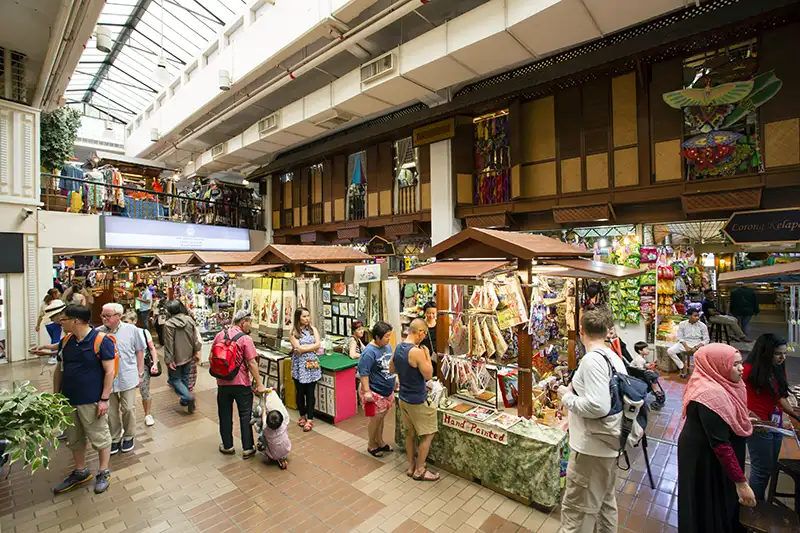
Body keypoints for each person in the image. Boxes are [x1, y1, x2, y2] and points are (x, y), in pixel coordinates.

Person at [556, 307, 626, 533]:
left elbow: (598, 405)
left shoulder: (592, 361)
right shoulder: (612, 357)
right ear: (607, 331)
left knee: (578, 510)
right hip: (606, 445)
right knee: (605, 503)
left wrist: (567, 397)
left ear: (581, 332)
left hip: (591, 449)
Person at [33, 305, 115, 494]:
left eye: (64, 319)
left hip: (92, 399)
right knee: (74, 438)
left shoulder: (101, 341)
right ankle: (80, 471)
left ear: (76, 321)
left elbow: (109, 371)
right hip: (69, 399)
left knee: (100, 436)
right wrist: (56, 397)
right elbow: (59, 368)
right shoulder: (67, 340)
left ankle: (103, 471)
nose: (61, 322)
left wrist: (104, 399)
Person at [677, 344, 757, 533]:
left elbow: (727, 415)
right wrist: (741, 483)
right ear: (717, 365)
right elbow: (720, 444)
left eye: (740, 363)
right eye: (734, 364)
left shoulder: (721, 383)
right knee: (706, 502)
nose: (741, 368)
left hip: (709, 453)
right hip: (703, 457)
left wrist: (738, 418)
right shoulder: (710, 395)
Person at [743, 333, 800, 502]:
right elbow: (736, 395)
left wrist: (793, 415)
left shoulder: (777, 369)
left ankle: (759, 504)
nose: (782, 357)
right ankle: (754, 509)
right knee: (761, 470)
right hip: (758, 426)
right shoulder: (747, 370)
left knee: (769, 467)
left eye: (784, 353)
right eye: (778, 353)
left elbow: (780, 396)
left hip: (775, 424)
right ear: (765, 352)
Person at [391, 318, 439, 482]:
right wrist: (426, 355)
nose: (424, 338)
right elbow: (428, 374)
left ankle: (411, 466)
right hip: (417, 399)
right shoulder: (417, 352)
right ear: (419, 332)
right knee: (428, 434)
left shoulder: (398, 347)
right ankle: (420, 469)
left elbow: (391, 368)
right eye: (424, 334)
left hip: (403, 397)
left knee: (409, 434)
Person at [213, 310, 266, 458]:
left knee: (224, 414)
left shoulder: (220, 335)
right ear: (243, 322)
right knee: (245, 414)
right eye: (250, 322)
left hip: (222, 382)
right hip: (241, 383)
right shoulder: (245, 339)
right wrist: (260, 384)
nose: (251, 325)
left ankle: (228, 446)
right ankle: (248, 448)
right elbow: (252, 363)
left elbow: (213, 355)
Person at [98, 303, 145, 455]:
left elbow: (139, 351)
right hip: (107, 379)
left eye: (108, 316)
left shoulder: (132, 330)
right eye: (103, 315)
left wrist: (140, 373)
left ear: (118, 316)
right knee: (110, 412)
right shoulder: (98, 333)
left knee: (128, 409)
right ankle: (115, 437)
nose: (104, 319)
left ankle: (129, 436)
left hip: (128, 376)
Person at [358, 321, 396, 458]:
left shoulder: (387, 347)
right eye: (386, 336)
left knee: (381, 418)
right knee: (375, 419)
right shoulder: (369, 352)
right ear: (377, 337)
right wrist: (367, 392)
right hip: (374, 391)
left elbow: (390, 364)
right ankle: (371, 444)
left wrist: (395, 378)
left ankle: (380, 441)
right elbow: (364, 373)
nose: (388, 339)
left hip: (387, 390)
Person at [121, 311, 159, 427]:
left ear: (134, 321)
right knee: (126, 394)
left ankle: (147, 414)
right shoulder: (121, 333)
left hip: (142, 366)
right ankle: (125, 419)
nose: (124, 325)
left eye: (127, 322)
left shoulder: (143, 332)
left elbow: (151, 348)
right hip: (126, 366)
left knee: (145, 390)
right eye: (123, 322)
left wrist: (155, 363)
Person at [163, 300, 202, 413]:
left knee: (174, 379)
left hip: (176, 358)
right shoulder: (189, 320)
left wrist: (169, 360)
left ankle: (188, 397)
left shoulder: (169, 324)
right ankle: (185, 400)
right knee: (185, 377)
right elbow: (195, 338)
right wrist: (196, 351)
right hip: (188, 355)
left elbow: (169, 343)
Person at [290, 307, 321, 433]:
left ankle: (310, 418)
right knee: (300, 392)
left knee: (310, 393)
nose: (307, 318)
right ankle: (302, 415)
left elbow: (318, 345)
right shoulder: (294, 332)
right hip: (299, 366)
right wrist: (310, 347)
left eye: (308, 316)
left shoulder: (313, 330)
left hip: (312, 365)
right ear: (298, 318)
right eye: (304, 316)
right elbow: (297, 348)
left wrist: (305, 348)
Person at [667, 308, 709, 379]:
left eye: (698, 316)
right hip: (685, 343)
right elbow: (680, 337)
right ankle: (682, 366)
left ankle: (700, 371)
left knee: (704, 354)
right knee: (670, 351)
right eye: (695, 316)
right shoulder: (682, 324)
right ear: (689, 316)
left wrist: (696, 347)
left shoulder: (702, 325)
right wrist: (686, 346)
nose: (697, 318)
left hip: (697, 343)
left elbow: (706, 339)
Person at [256, 393, 291, 470]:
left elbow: (263, 419)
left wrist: (264, 410)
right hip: (287, 449)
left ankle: (268, 455)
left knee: (261, 436)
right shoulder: (284, 425)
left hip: (273, 455)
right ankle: (281, 456)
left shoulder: (266, 429)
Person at [37, 291, 64, 365]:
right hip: (55, 324)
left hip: (47, 324)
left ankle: (54, 355)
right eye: (57, 293)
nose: (59, 293)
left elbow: (41, 315)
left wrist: (38, 325)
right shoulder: (57, 302)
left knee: (53, 339)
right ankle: (53, 356)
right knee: (56, 339)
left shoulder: (43, 303)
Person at [419, 301, 438, 376]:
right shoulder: (421, 325)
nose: (431, 315)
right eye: (428, 313)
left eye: (433, 313)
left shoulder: (439, 324)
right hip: (424, 356)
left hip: (436, 355)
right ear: (424, 313)